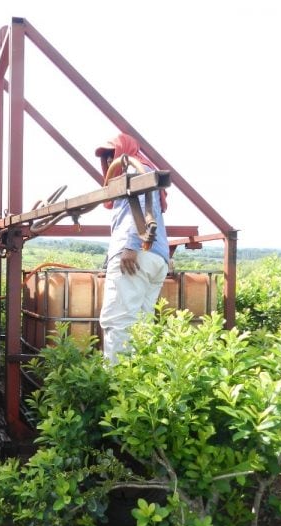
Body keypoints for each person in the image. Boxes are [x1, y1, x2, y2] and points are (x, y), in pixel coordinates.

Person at [96, 133, 170, 364]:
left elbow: (140, 210)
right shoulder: (147, 170)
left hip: (135, 256)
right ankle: (137, 384)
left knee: (117, 322)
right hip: (156, 259)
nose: (109, 162)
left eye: (111, 155)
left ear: (123, 152)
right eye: (106, 158)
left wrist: (131, 246)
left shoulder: (134, 171)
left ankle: (115, 389)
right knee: (141, 325)